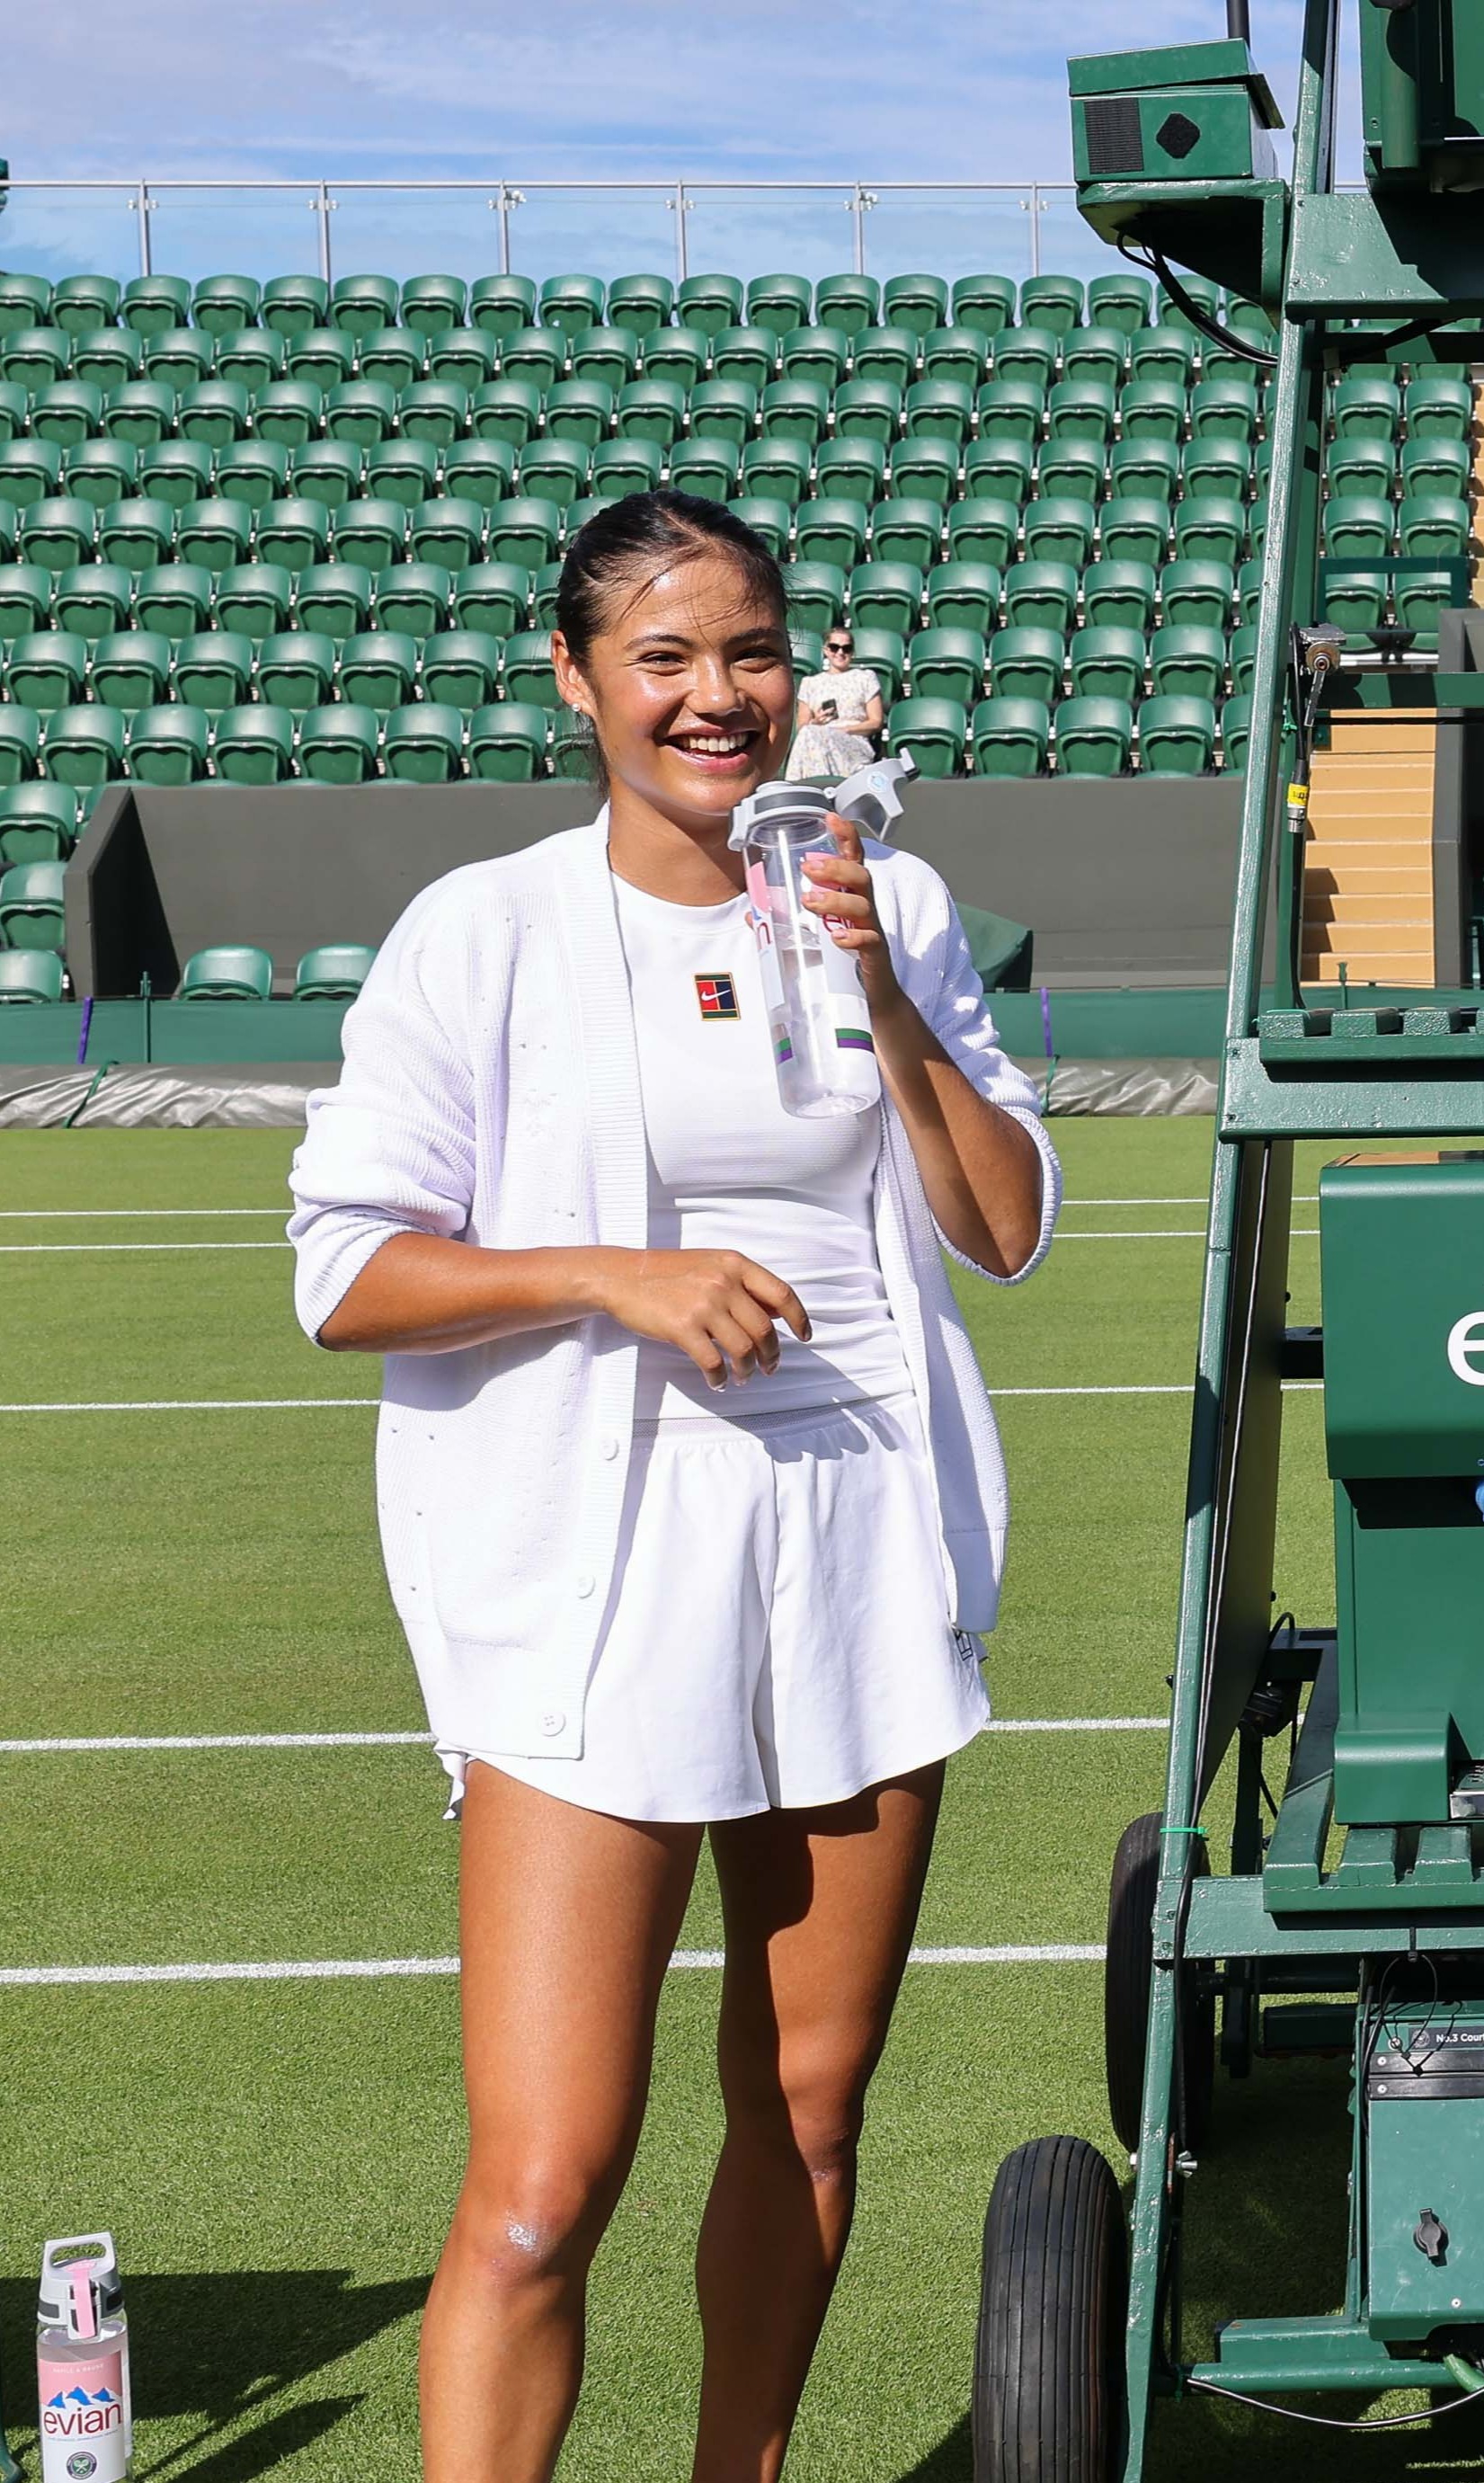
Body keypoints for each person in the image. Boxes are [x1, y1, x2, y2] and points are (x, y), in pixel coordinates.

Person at [288, 489, 1057, 2482]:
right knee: (546, 2175)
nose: (718, 697)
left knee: (807, 2110)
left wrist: (883, 985)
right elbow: (346, 1272)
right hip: (587, 1573)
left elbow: (1003, 1225)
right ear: (578, 680)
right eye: (666, 659)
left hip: (862, 1551)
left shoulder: (903, 896)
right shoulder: (491, 927)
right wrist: (611, 1277)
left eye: (751, 652)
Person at [786, 626, 885, 783]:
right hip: (816, 740)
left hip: (853, 741)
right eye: (834, 647)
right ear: (826, 650)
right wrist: (816, 721)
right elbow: (802, 726)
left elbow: (876, 721)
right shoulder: (810, 683)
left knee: (810, 735)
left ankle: (808, 786)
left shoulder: (865, 678)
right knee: (808, 734)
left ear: (852, 652)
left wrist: (843, 730)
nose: (840, 652)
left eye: (846, 648)